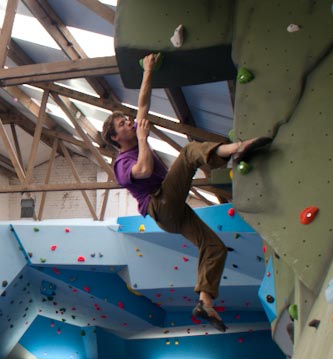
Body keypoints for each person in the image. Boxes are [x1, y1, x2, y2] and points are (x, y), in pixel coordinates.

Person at [101, 53, 270, 332]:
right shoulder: (121, 163)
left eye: (126, 121)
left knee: (213, 246)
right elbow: (142, 171)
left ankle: (205, 302)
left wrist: (148, 71)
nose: (129, 124)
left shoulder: (134, 132)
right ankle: (236, 149)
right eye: (122, 125)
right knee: (190, 151)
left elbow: (142, 104)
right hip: (161, 205)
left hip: (173, 212)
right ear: (115, 139)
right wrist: (143, 139)